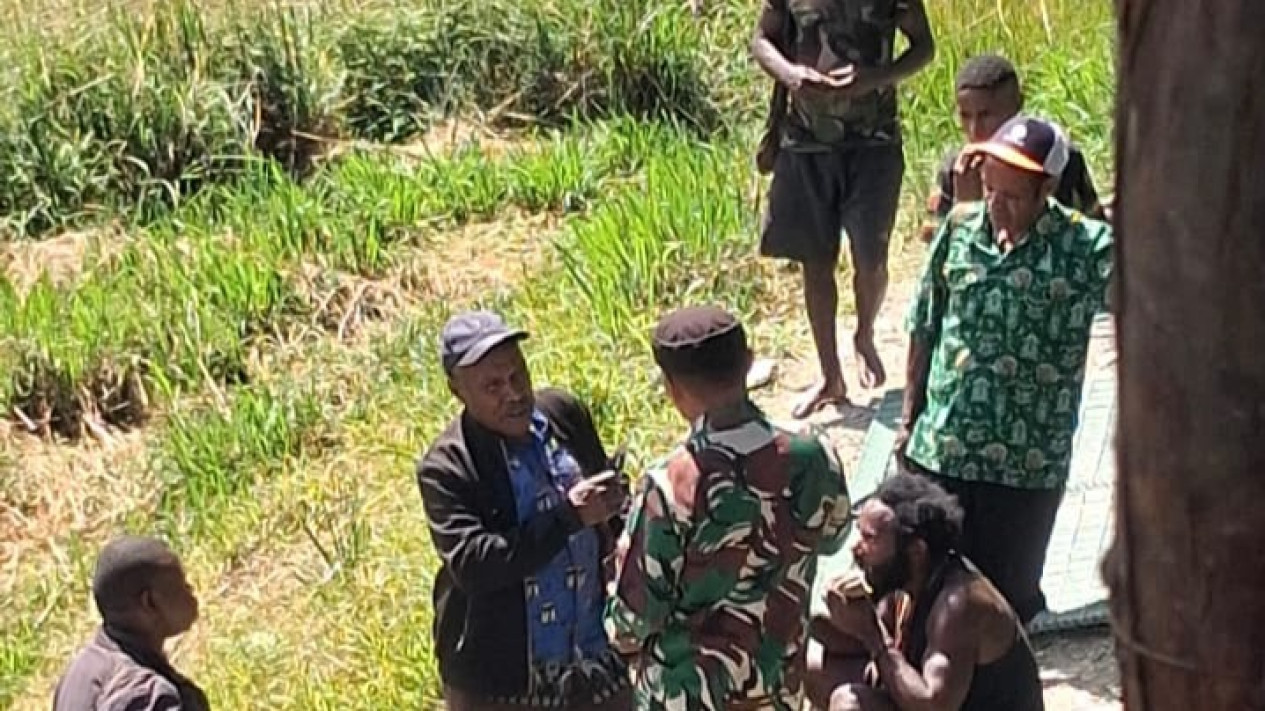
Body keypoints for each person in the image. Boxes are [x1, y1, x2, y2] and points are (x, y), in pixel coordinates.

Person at [899, 116, 1115, 624]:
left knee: (1007, 604)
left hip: (1027, 462)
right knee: (923, 589)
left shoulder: (1085, 248)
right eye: (992, 189)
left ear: (1049, 188)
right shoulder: (958, 231)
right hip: (942, 448)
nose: (998, 204)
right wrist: (910, 421)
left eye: (1014, 195)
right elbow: (923, 323)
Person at [606, 305, 853, 710]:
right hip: (775, 687)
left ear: (671, 388)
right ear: (749, 363)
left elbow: (636, 617)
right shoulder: (814, 456)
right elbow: (834, 537)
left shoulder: (670, 486)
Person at [416, 310, 632, 710]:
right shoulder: (448, 467)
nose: (513, 394)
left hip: (595, 661)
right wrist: (569, 518)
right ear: (457, 390)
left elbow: (608, 510)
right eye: (493, 386)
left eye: (518, 375)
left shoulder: (562, 415)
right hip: (505, 684)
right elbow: (474, 565)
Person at [752, 0, 936, 418]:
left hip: (875, 141)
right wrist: (791, 75)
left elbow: (923, 47)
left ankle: (865, 334)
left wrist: (875, 78)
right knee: (815, 262)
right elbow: (762, 39)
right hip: (805, 143)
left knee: (870, 258)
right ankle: (830, 375)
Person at [806, 473, 1044, 711]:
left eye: (870, 538)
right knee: (813, 666)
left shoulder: (959, 606)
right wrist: (807, 617)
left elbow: (933, 705)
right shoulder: (905, 580)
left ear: (916, 551)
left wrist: (872, 634)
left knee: (849, 705)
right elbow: (860, 642)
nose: (857, 548)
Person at [920, 54, 1104, 242]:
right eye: (965, 116)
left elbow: (1096, 234)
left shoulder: (1055, 160)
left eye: (986, 115)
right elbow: (939, 254)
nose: (975, 129)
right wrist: (965, 208)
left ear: (1018, 106)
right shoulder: (957, 170)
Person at [53, 536, 209, 711]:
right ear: (150, 603)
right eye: (181, 585)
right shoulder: (147, 696)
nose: (191, 591)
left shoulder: (81, 671)